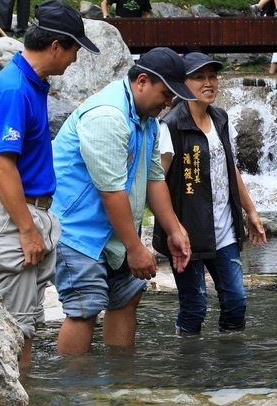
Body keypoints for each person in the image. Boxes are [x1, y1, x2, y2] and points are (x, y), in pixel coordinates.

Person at [0, 0, 100, 340]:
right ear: (56, 45)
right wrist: (27, 230)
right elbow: (1, 167)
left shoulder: (30, 84)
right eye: (75, 49)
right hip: (13, 217)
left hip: (25, 213)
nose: (75, 59)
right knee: (15, 331)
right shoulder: (14, 89)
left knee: (26, 325)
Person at [51, 47, 194, 355]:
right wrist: (135, 248)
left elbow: (154, 177)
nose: (169, 103)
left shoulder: (148, 120)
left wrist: (174, 230)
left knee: (127, 298)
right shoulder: (108, 115)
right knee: (84, 308)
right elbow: (110, 191)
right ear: (142, 81)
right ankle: (71, 392)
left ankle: (121, 384)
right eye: (166, 94)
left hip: (116, 231)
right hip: (79, 231)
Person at [156, 52, 268, 335]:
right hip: (187, 231)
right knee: (195, 305)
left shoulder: (220, 118)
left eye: (212, 76)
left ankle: (229, 365)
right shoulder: (171, 126)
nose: (209, 83)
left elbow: (231, 167)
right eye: (199, 78)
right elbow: (156, 182)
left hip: (225, 228)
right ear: (182, 84)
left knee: (236, 300)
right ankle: (188, 366)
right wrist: (172, 230)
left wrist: (250, 211)